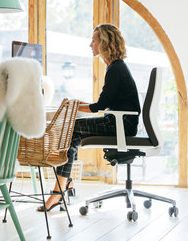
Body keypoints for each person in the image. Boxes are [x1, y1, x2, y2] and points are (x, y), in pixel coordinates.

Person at [40, 24, 141, 212]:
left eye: (93, 40)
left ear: (104, 43)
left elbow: (98, 107)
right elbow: (102, 103)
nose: (90, 44)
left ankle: (58, 191)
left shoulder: (115, 69)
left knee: (70, 129)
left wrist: (74, 104)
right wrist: (76, 104)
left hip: (120, 125)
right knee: (74, 136)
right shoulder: (117, 67)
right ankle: (65, 184)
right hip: (119, 122)